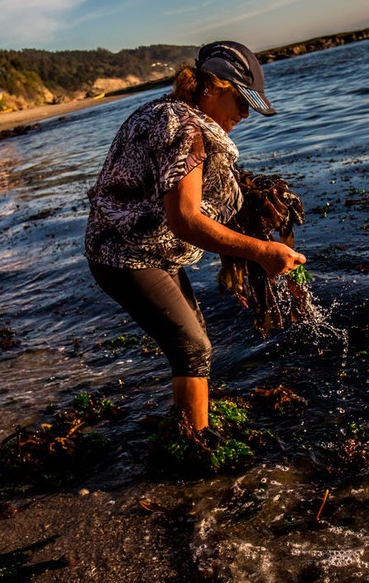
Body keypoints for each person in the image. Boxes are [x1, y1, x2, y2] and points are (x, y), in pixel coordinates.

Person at [84, 41, 305, 433]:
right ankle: (194, 448)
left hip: (139, 247)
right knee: (193, 348)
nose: (245, 114)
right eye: (241, 101)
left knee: (194, 340)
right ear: (213, 87)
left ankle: (191, 428)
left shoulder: (164, 113)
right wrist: (261, 251)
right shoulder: (185, 130)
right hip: (124, 256)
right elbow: (185, 219)